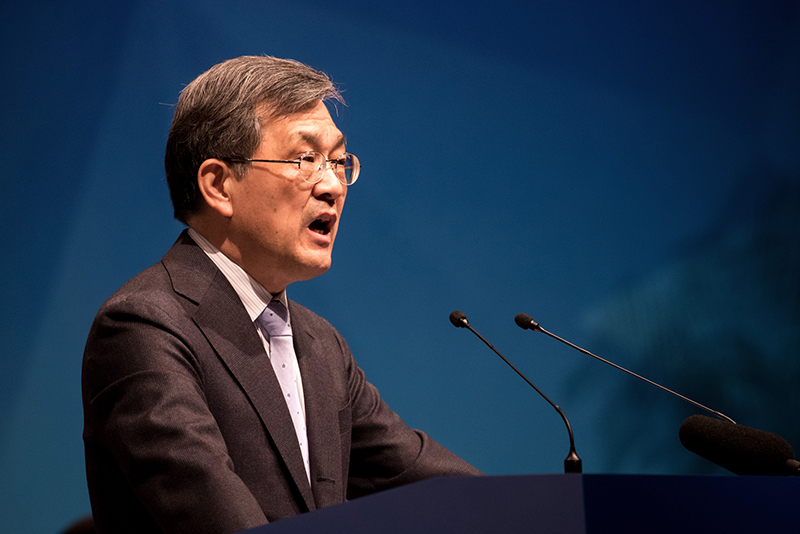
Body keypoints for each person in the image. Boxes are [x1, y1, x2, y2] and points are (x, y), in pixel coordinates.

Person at [81, 55, 481, 534]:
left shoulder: (320, 344)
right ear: (218, 185)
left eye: (339, 161)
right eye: (305, 159)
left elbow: (430, 486)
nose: (332, 186)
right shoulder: (144, 326)